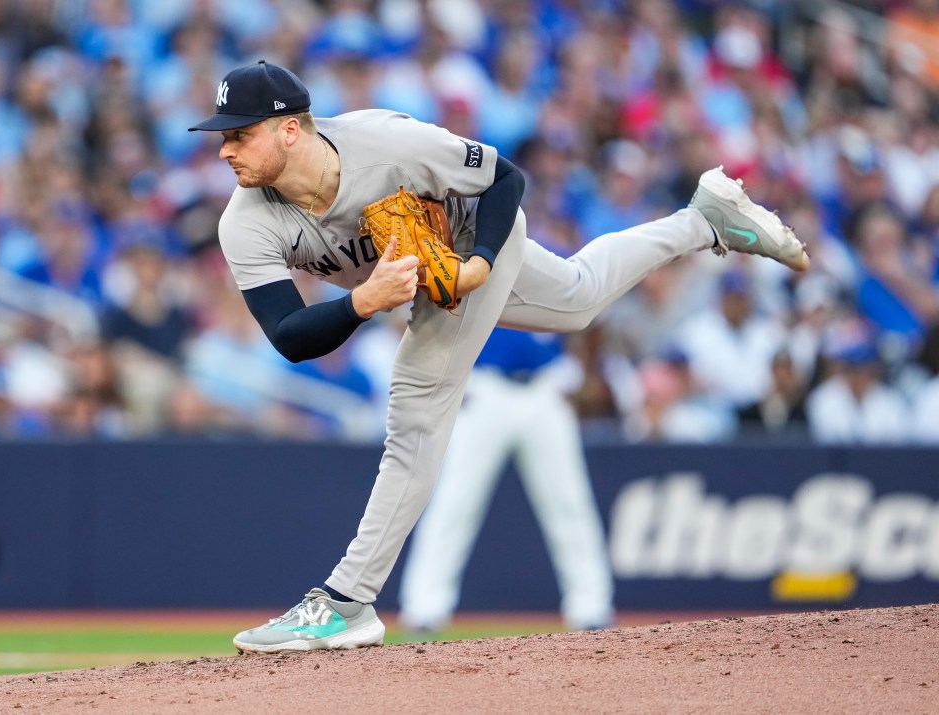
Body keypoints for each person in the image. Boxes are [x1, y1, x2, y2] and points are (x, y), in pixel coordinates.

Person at [187, 60, 810, 654]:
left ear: (289, 129)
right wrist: (366, 302)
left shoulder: (385, 144)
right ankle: (706, 221)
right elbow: (291, 337)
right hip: (425, 271)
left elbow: (504, 178)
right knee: (576, 299)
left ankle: (348, 600)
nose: (225, 150)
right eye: (222, 137)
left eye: (239, 135)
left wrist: (478, 265)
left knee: (414, 416)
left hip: (476, 232)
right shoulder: (244, 223)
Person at [398, 328, 615, 633]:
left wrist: (582, 370)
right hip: (486, 385)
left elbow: (592, 312)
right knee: (454, 503)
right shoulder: (479, 276)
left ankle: (592, 607)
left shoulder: (558, 277)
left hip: (546, 385)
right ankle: (424, 608)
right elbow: (430, 311)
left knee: (570, 503)